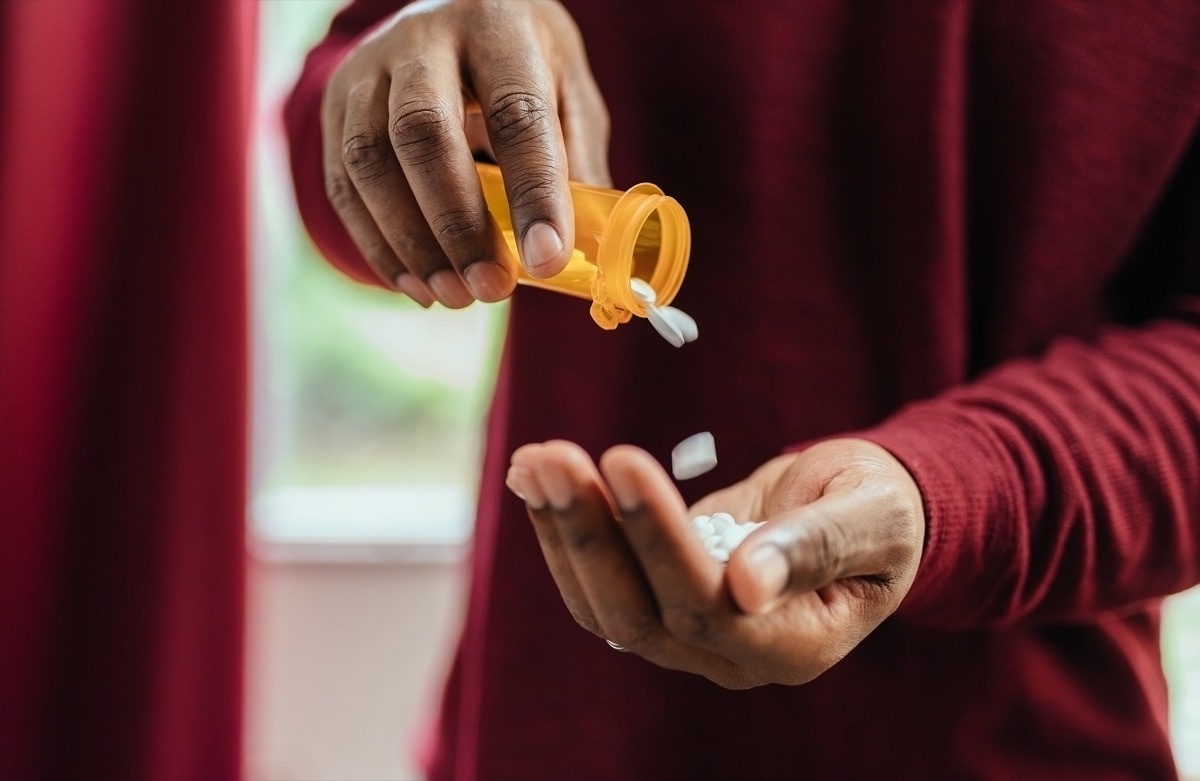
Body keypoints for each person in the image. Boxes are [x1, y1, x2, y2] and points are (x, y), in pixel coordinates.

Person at [285, 1, 1200, 778]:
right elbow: (328, 149)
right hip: (559, 727)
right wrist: (402, 80)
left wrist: (943, 494)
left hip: (1019, 739)